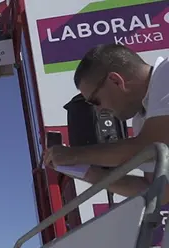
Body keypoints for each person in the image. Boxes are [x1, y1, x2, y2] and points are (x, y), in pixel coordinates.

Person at [43, 44, 169, 205]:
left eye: (95, 101)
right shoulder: (142, 119)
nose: (98, 109)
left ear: (115, 81)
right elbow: (159, 191)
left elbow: (149, 146)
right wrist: (87, 172)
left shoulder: (166, 72)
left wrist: (73, 154)